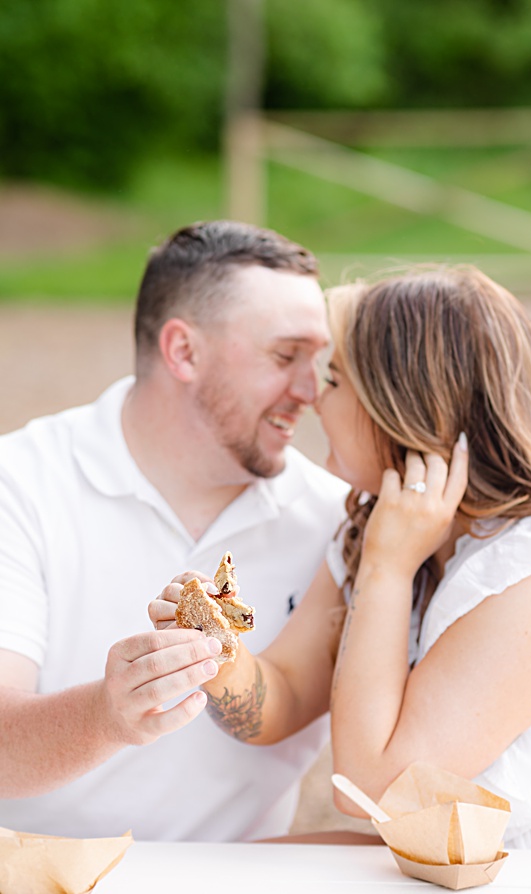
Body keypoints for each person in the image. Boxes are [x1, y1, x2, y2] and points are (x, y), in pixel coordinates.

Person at [151, 266, 531, 849]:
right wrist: (214, 648)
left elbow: (369, 788)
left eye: (334, 379)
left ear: (407, 406)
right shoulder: (376, 525)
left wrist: (389, 569)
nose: (311, 395)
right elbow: (282, 693)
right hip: (435, 864)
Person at [0, 221, 349, 841]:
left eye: (317, 361)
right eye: (284, 355)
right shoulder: (20, 483)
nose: (310, 391)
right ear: (183, 351)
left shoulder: (337, 517)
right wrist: (109, 716)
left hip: (242, 881)